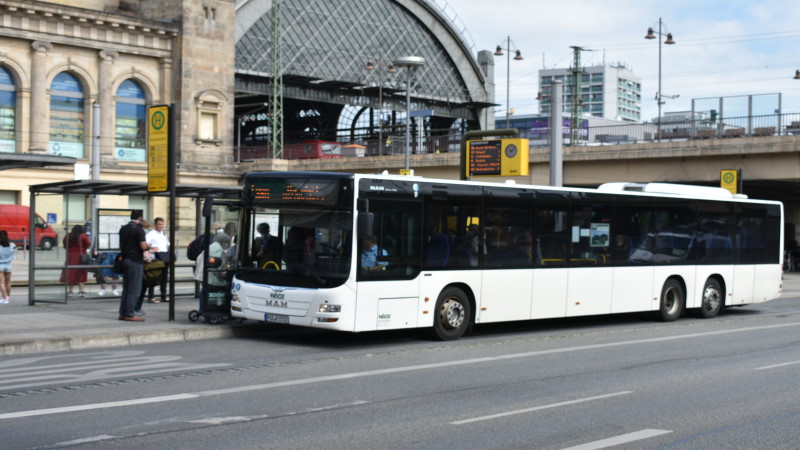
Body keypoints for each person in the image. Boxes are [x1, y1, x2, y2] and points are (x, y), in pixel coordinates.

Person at [118, 210, 148, 322]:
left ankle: (122, 313)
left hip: (125, 260)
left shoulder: (123, 228)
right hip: (135, 261)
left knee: (126, 289)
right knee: (134, 289)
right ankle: (130, 314)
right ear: (140, 218)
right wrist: (149, 246)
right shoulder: (139, 230)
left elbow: (120, 246)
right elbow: (143, 246)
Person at [59, 225, 91, 297]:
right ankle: (81, 291)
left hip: (70, 256)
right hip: (81, 257)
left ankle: (70, 291)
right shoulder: (83, 236)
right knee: (82, 273)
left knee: (71, 273)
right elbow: (88, 245)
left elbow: (65, 245)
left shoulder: (68, 236)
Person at [145, 217, 171, 303]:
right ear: (155, 225)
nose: (161, 226)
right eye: (159, 224)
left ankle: (163, 295)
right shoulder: (150, 234)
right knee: (154, 276)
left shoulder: (164, 234)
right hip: (156, 256)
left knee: (164, 277)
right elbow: (146, 245)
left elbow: (167, 244)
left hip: (164, 256)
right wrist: (152, 249)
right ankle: (151, 296)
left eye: (162, 224)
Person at [0, 230, 16, 304]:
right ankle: (8, 297)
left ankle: (4, 299)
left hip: (0, 265)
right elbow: (15, 253)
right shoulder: (12, 244)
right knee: (8, 282)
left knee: (1, 283)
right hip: (9, 265)